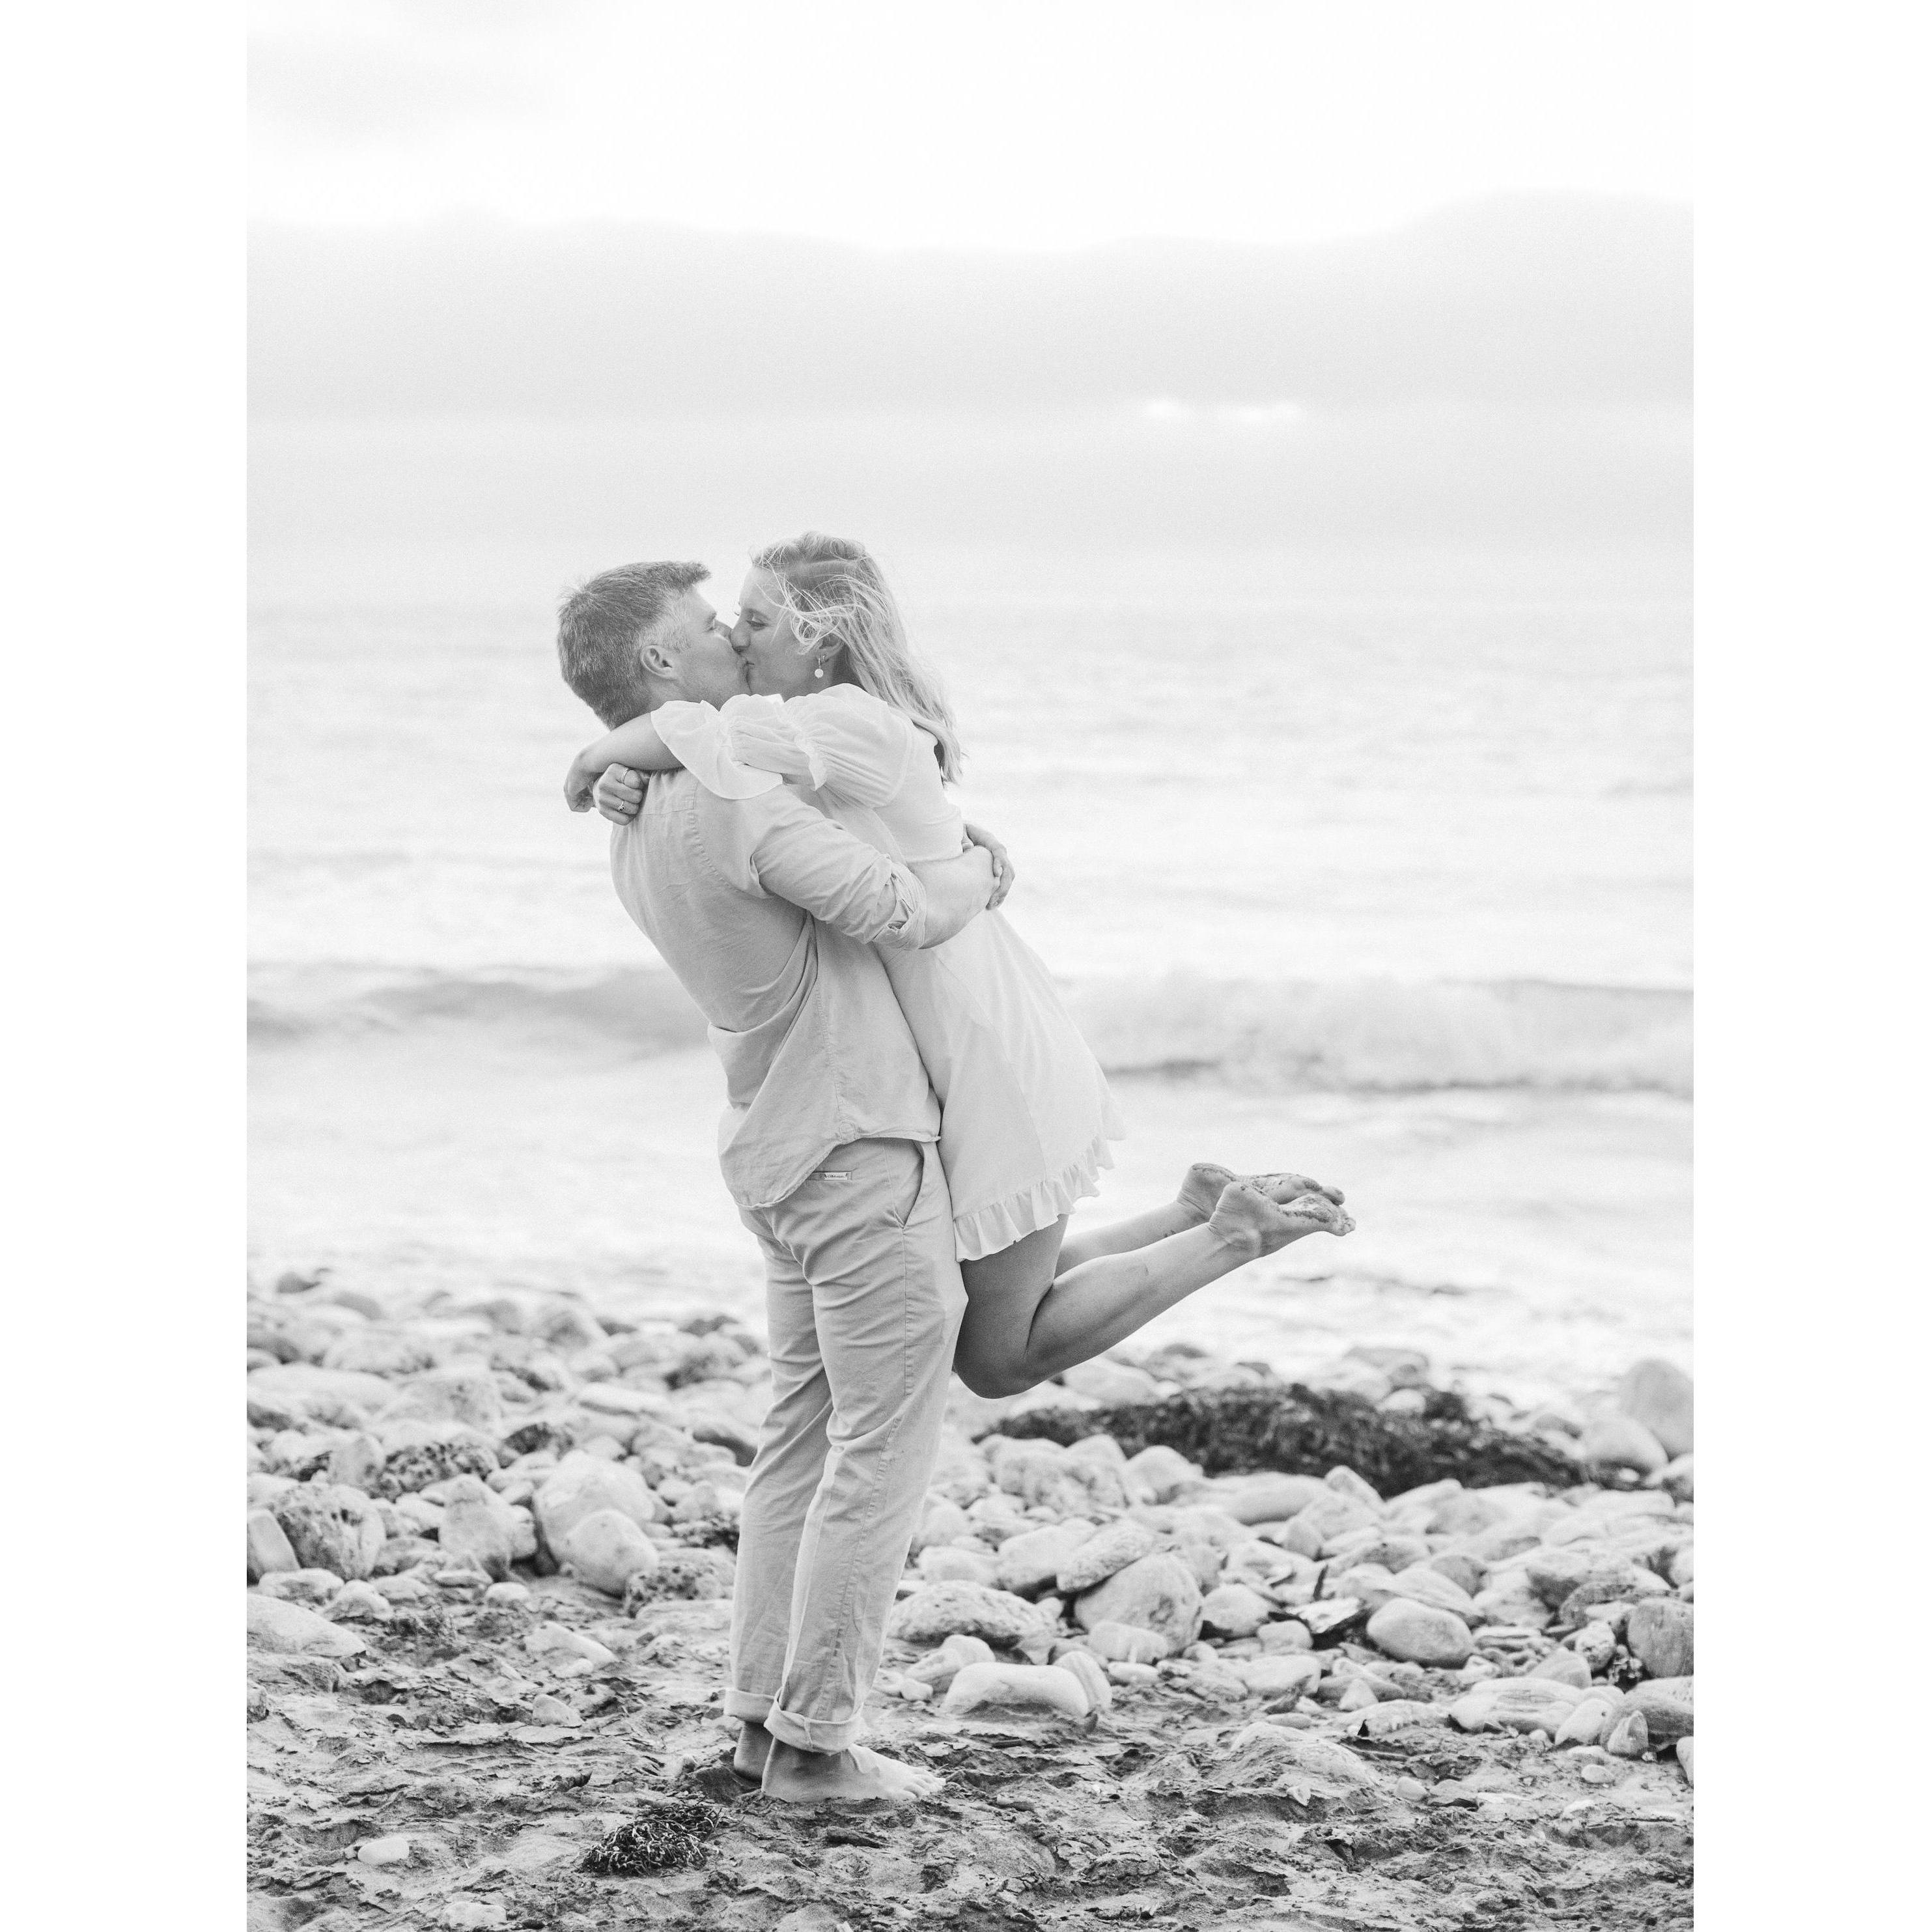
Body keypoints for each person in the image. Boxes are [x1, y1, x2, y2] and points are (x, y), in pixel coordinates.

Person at [557, 557, 1341, 1807]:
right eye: (707, 626)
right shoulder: (734, 798)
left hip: (776, 1150)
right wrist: (982, 866)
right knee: (877, 1458)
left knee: (798, 1450)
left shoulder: (639, 816)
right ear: (659, 663)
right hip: (858, 1153)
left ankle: (761, 1728)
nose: (728, 640)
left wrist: (607, 761)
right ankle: (818, 1748)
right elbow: (894, 905)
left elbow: (820, 821)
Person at [569, 532, 1354, 1403]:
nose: (737, 637)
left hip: (985, 1044)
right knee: (989, 1315)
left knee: (996, 1358)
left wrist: (595, 759)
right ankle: (1194, 1212)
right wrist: (623, 778)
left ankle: (1231, 1235)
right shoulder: (810, 732)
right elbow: (724, 776)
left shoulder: (841, 722)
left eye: (753, 620)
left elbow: (697, 736)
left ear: (818, 635)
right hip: (957, 1037)